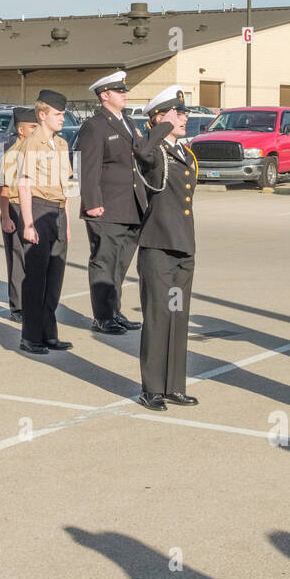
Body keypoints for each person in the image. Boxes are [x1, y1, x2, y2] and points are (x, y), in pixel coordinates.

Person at [133, 86, 199, 410]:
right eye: (178, 112)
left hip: (182, 249)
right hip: (157, 248)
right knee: (158, 318)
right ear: (161, 116)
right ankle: (152, 389)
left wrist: (168, 124)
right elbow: (142, 152)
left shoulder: (185, 153)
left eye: (183, 112)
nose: (184, 117)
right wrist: (160, 124)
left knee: (177, 316)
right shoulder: (156, 151)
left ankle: (174, 385)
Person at [76, 70, 147, 335]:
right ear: (104, 96)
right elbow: (88, 167)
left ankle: (115, 311)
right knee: (104, 263)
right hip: (106, 208)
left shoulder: (128, 121)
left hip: (131, 206)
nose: (124, 94)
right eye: (119, 91)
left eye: (124, 90)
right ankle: (102, 317)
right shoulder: (95, 126)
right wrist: (91, 202)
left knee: (120, 264)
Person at [17, 89, 74, 355]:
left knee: (54, 278)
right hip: (39, 211)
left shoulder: (61, 144)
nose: (62, 118)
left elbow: (67, 187)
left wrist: (68, 223)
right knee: (36, 279)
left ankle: (49, 333)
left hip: (58, 213)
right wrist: (28, 224)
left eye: (63, 114)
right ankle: (30, 336)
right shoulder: (31, 143)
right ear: (42, 115)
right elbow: (24, 185)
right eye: (58, 114)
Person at [0, 107, 37, 323]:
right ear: (21, 130)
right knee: (18, 259)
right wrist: (6, 216)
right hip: (15, 208)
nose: (36, 130)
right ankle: (18, 306)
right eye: (33, 127)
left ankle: (32, 302)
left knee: (34, 260)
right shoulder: (13, 154)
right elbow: (4, 189)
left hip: (35, 207)